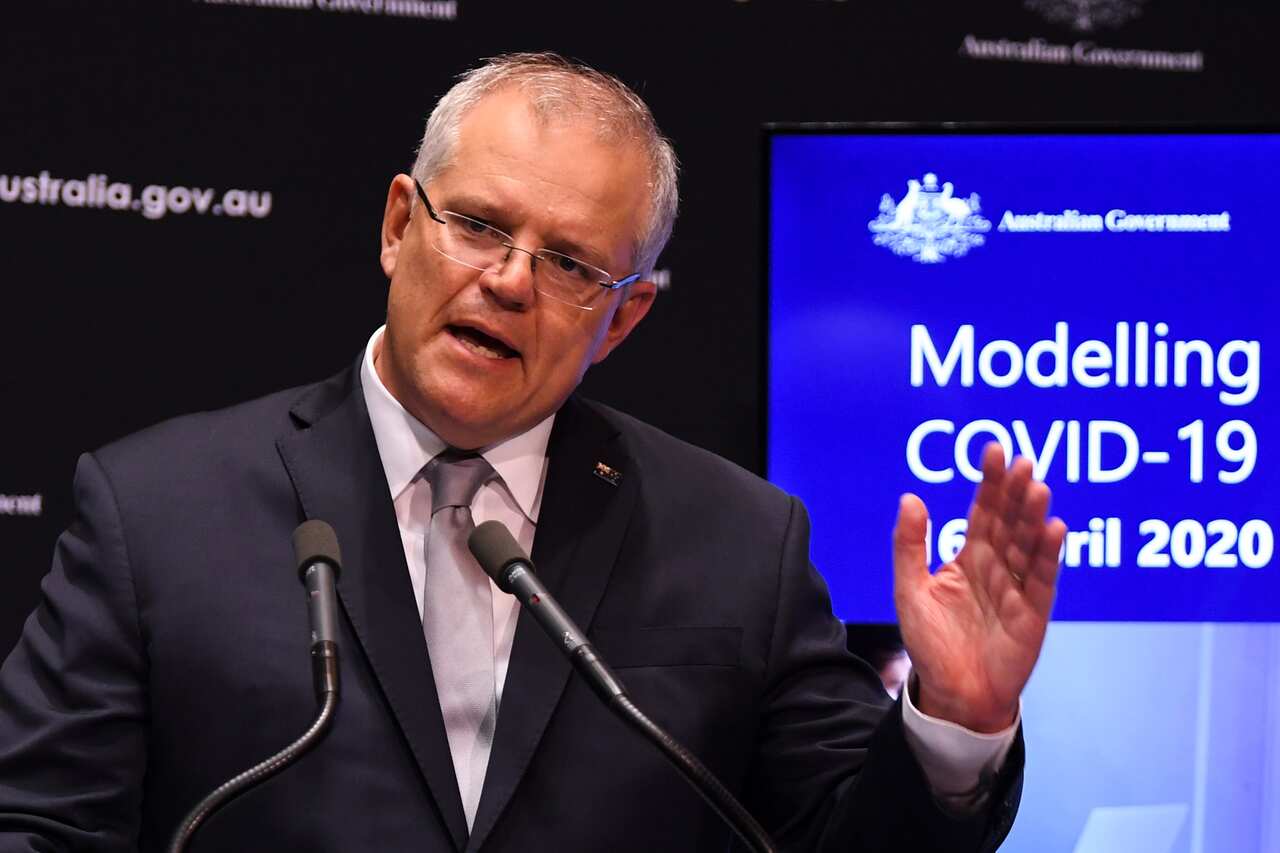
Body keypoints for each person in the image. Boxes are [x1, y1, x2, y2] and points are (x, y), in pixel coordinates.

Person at [0, 53, 1065, 852]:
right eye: (476, 225)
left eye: (565, 262)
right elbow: (41, 827)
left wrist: (955, 722)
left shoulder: (738, 540)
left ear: (626, 318)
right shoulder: (157, 509)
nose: (507, 280)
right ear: (395, 225)